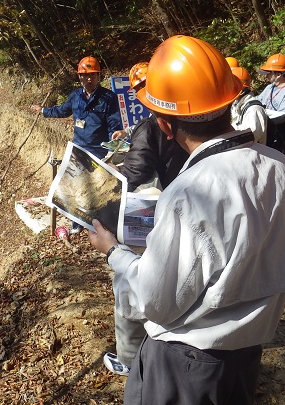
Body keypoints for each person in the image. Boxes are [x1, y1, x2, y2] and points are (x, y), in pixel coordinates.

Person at [89, 35, 285, 405]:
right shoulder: (282, 169)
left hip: (184, 365)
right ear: (229, 102)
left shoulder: (189, 192)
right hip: (245, 358)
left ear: (164, 125)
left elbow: (155, 300)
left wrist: (113, 252)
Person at [102, 62, 188, 376]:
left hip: (154, 211)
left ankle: (129, 359)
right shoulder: (183, 115)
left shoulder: (153, 125)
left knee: (128, 285)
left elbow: (134, 174)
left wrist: (109, 188)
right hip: (183, 204)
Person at [31, 56, 122, 234]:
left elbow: (114, 125)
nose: (89, 79)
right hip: (78, 150)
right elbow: (61, 110)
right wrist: (43, 111)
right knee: (77, 188)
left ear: (99, 76)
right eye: (85, 75)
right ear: (79, 77)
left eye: (93, 75)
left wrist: (114, 148)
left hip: (99, 151)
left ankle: (99, 225)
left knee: (98, 190)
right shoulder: (75, 96)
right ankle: (77, 224)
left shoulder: (108, 98)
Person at [112, 62, 188, 191]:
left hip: (168, 185)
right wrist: (125, 132)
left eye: (144, 86)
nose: (142, 93)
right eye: (138, 90)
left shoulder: (150, 123)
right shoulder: (180, 108)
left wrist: (117, 172)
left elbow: (136, 171)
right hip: (186, 178)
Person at [256, 53, 285, 155]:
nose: (266, 76)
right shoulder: (269, 87)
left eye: (269, 73)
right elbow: (257, 101)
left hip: (279, 134)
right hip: (265, 132)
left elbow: (282, 116)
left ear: (279, 74)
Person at [230, 65, 269, 145]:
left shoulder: (254, 109)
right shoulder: (239, 105)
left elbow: (249, 138)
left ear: (240, 89)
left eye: (230, 86)